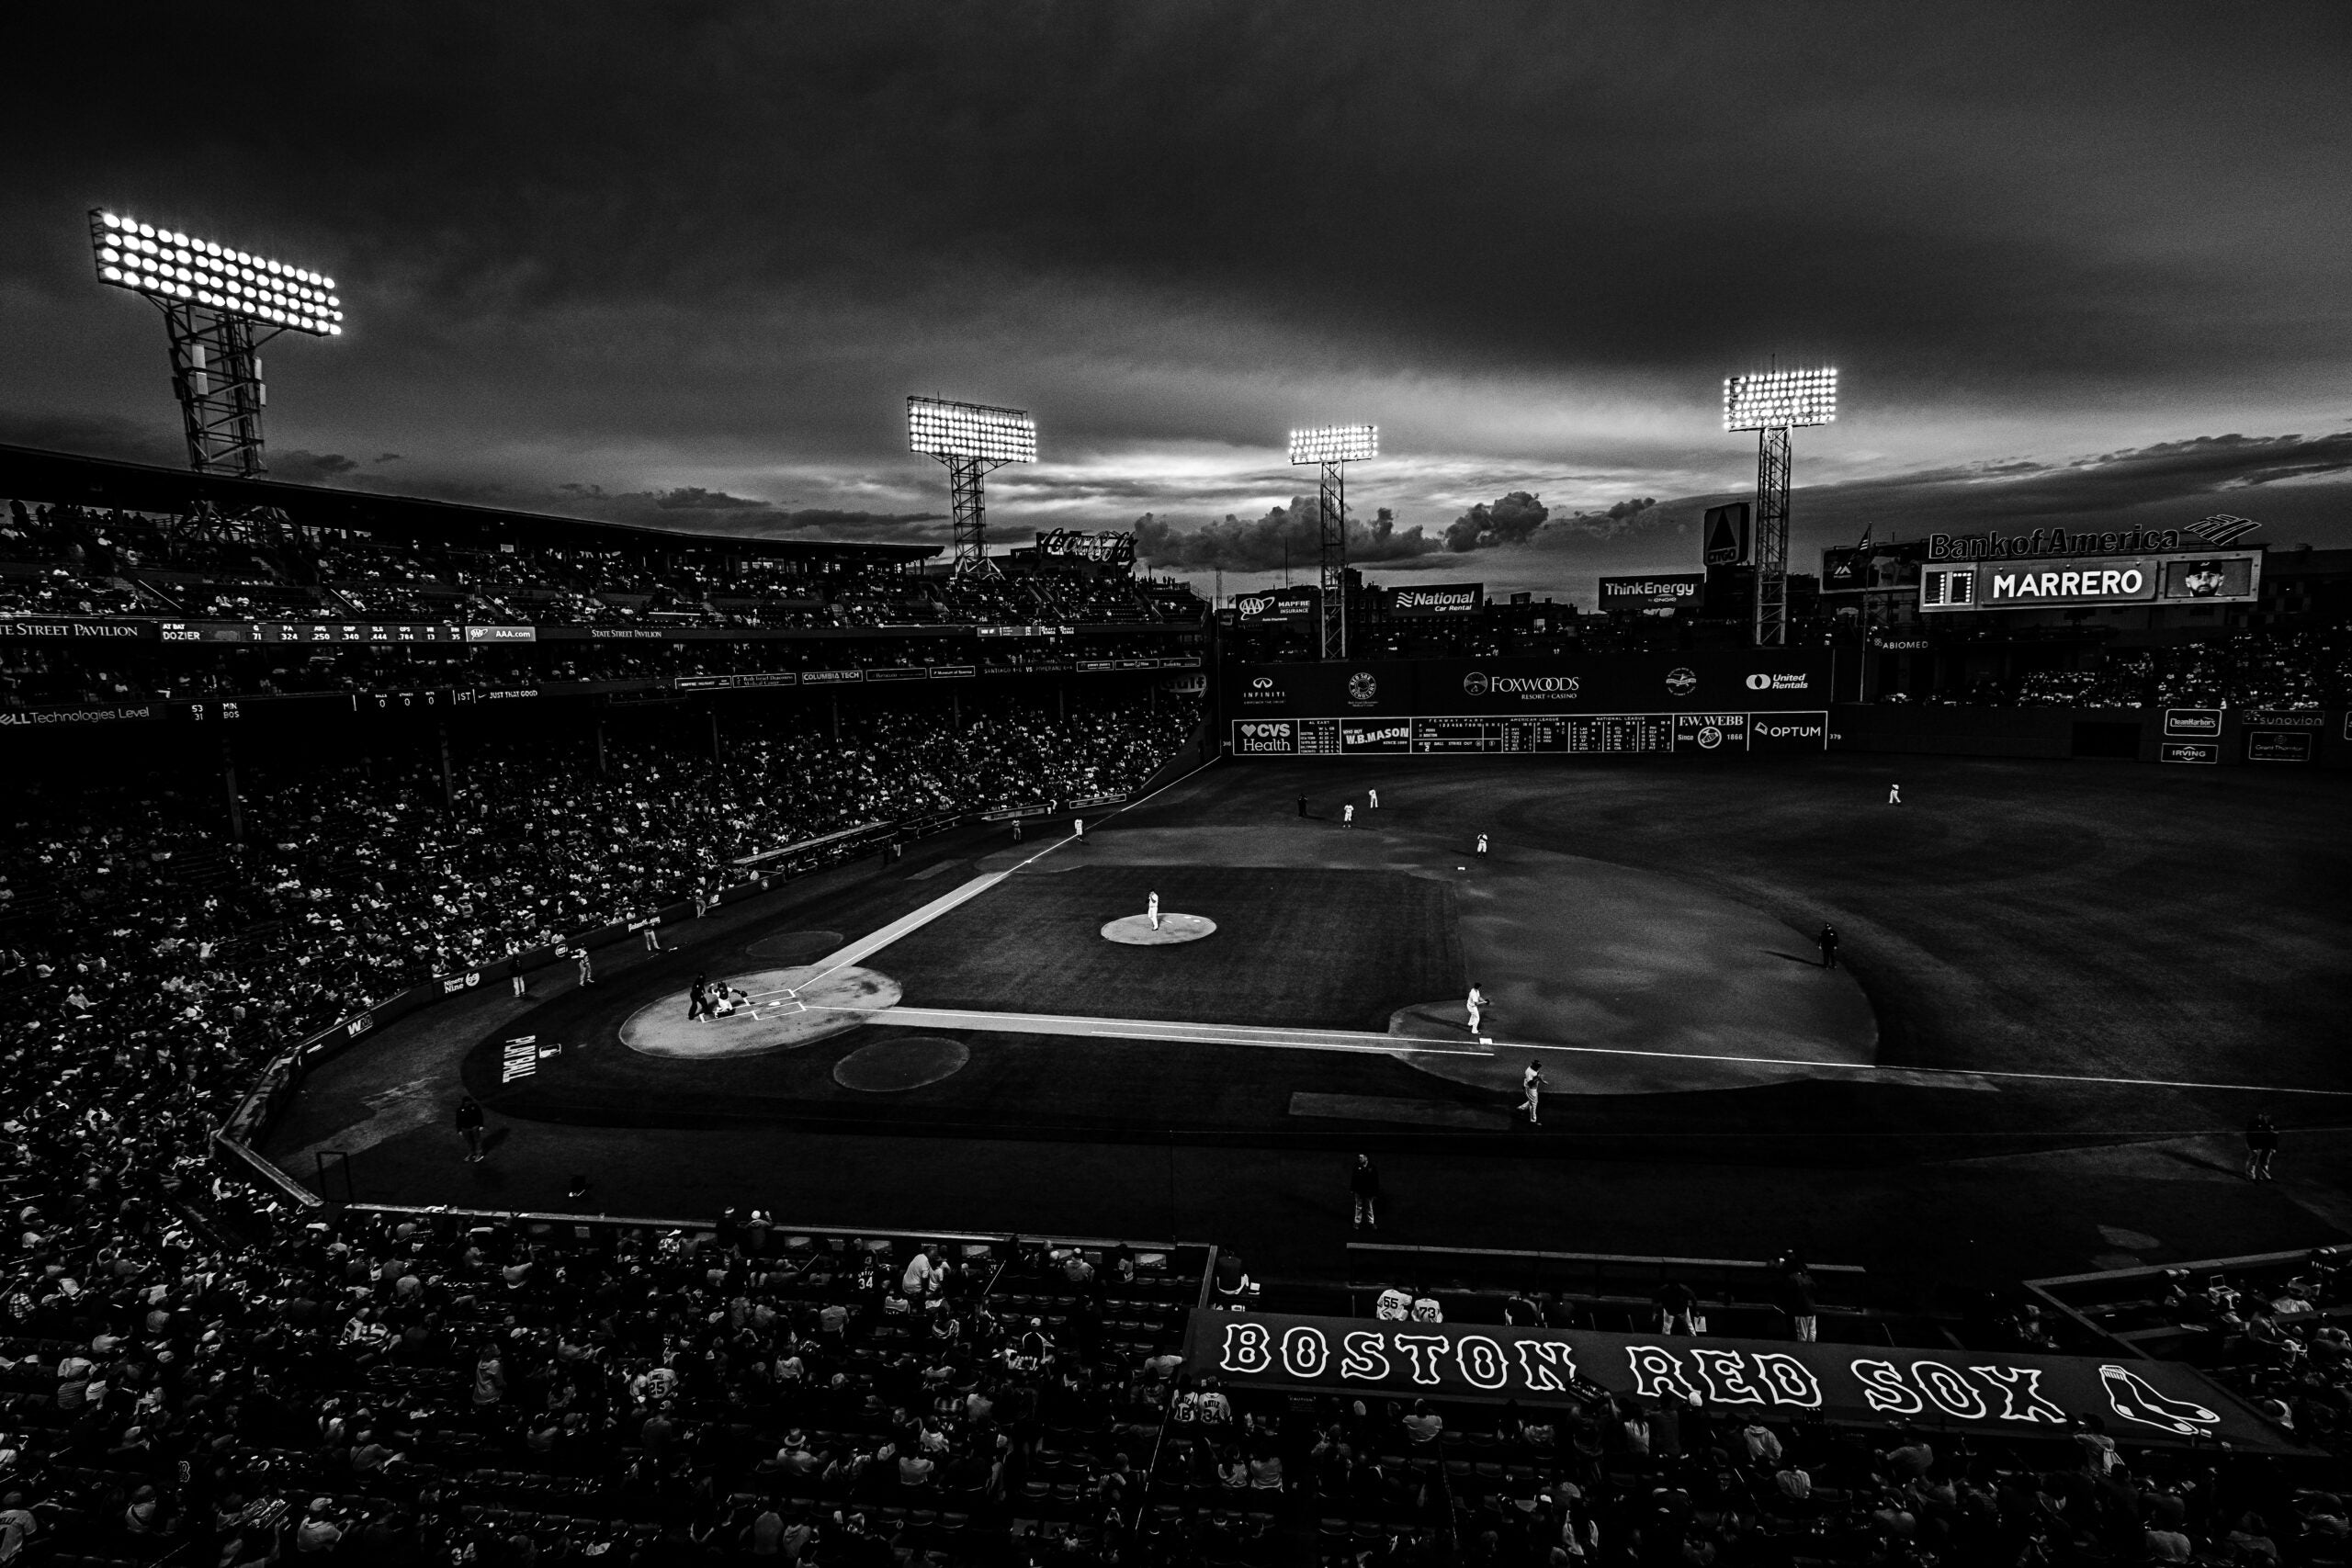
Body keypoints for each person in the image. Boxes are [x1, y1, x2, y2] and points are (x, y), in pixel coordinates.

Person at [1350, 1154, 1382, 1231]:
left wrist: (1375, 1192)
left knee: (1369, 1207)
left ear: (1366, 1158)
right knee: (1358, 1207)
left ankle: (1371, 1222)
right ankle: (1357, 1222)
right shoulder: (1357, 1166)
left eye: (1361, 1157)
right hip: (1359, 1191)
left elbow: (1375, 1180)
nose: (1359, 1159)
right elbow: (1354, 1178)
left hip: (1369, 1192)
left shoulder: (1372, 1167)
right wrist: (1352, 1189)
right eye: (1359, 1157)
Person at [2246, 1112, 2280, 1180]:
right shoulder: (2255, 1124)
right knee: (2253, 1160)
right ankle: (2251, 1176)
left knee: (2265, 1161)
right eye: (2264, 1116)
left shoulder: (2271, 1124)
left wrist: (2274, 1147)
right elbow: (2250, 1136)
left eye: (2268, 1116)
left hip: (2267, 1146)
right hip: (2256, 1145)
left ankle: (2264, 1175)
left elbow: (2275, 1136)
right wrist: (2252, 1147)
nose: (2266, 1117)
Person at [455, 1097, 486, 1163]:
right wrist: (459, 1130)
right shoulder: (460, 1109)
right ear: (464, 1102)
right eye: (466, 1102)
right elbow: (458, 1120)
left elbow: (480, 1116)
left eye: (469, 1102)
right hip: (464, 1129)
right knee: (469, 1141)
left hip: (474, 1127)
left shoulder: (475, 1107)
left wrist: (481, 1125)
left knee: (477, 1140)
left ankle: (479, 1154)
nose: (468, 1103)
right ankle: (472, 1153)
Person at [1520, 1058, 1544, 1124]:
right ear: (1534, 1065)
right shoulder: (1529, 1072)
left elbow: (1538, 1075)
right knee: (1533, 1104)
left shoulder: (1535, 1069)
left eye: (1539, 1066)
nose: (1538, 1067)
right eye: (1537, 1066)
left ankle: (1521, 1108)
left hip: (1533, 1088)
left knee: (1533, 1101)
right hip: (1530, 1089)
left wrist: (1542, 1081)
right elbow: (1530, 1083)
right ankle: (1533, 1121)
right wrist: (1537, 1078)